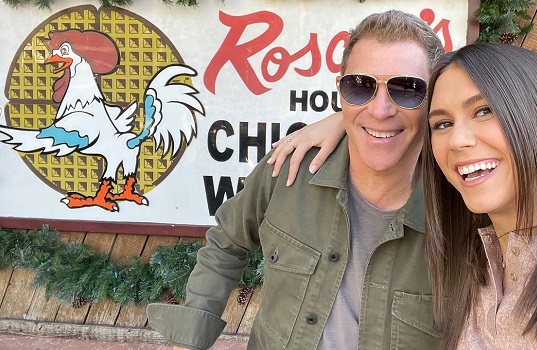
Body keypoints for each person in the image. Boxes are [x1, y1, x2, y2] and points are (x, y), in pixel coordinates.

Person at [275, 43, 537, 350]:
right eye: (441, 123)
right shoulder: (475, 261)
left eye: (484, 111)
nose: (459, 140)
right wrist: (347, 120)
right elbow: (391, 126)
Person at [146, 10, 445, 350]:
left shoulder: (460, 210)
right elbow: (226, 242)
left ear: (434, 98)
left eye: (406, 89)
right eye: (359, 86)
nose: (380, 110)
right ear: (340, 89)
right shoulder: (289, 168)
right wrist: (190, 337)